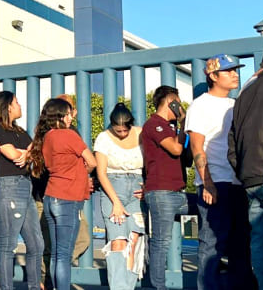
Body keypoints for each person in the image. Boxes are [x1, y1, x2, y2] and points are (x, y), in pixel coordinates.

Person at [187, 54, 253, 289]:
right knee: (212, 245)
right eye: (228, 70)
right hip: (215, 183)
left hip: (238, 182)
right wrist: (208, 183)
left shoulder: (236, 105)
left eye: (236, 70)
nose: (235, 74)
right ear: (213, 76)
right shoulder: (200, 105)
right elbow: (197, 147)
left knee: (241, 245)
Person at [29, 98, 96, 290]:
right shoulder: (69, 135)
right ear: (59, 116)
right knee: (64, 255)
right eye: (67, 114)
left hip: (51, 196)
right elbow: (92, 162)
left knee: (56, 254)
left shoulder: (47, 137)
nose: (70, 117)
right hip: (68, 197)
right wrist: (82, 170)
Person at [0, 91, 42, 290]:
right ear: (8, 106)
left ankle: (34, 286)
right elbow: (12, 154)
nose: (20, 105)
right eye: (17, 102)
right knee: (8, 244)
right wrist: (26, 153)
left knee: (36, 244)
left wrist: (26, 154)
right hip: (8, 186)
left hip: (26, 186)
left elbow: (36, 152)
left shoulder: (19, 130)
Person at [141, 85, 189, 290]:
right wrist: (184, 121)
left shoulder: (171, 127)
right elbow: (176, 148)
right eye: (178, 102)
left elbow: (185, 156)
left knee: (208, 209)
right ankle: (158, 287)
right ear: (171, 102)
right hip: (161, 192)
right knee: (161, 242)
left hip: (178, 192)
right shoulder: (154, 124)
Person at [93, 103, 145, 289]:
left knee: (134, 241)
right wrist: (116, 202)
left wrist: (147, 187)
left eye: (125, 130)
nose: (122, 134)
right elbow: (101, 173)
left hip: (137, 189)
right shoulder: (103, 138)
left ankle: (127, 287)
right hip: (113, 189)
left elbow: (153, 163)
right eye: (118, 130)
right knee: (118, 242)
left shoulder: (141, 133)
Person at [229, 44, 263, 289]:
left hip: (251, 178)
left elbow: (232, 142)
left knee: (260, 245)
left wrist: (243, 172)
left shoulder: (244, 94)